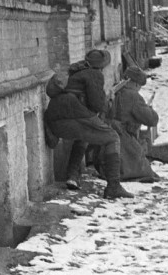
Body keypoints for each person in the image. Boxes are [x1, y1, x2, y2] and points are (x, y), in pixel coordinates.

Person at [44, 49, 133, 199]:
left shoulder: (75, 71)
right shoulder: (94, 74)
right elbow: (97, 105)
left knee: (84, 136)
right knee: (112, 137)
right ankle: (114, 186)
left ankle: (72, 175)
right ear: (102, 65)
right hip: (73, 114)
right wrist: (107, 98)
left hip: (54, 118)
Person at [109, 66, 160, 182]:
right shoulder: (133, 96)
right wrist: (149, 109)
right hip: (124, 138)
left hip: (112, 136)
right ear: (136, 84)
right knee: (145, 172)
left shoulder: (116, 90)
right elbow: (151, 119)